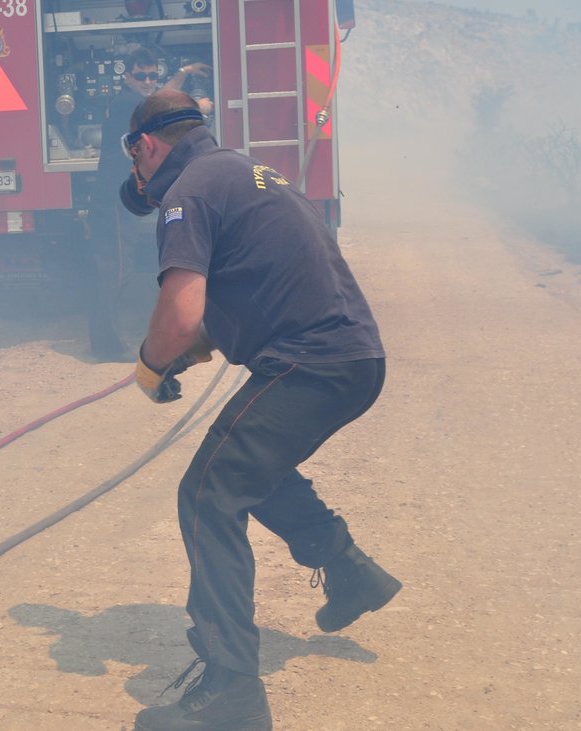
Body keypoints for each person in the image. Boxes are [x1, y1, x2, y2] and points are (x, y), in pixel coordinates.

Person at [121, 90, 402, 731]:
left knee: (207, 494)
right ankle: (348, 570)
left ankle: (231, 694)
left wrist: (152, 362)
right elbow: (249, 292)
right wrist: (185, 356)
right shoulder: (244, 172)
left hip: (310, 362)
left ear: (145, 146)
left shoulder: (185, 192)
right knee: (250, 468)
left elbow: (181, 311)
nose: (141, 182)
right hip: (351, 358)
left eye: (136, 164)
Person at [85, 49, 211, 362]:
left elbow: (158, 99)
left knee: (116, 266)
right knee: (114, 269)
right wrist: (200, 108)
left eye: (152, 76)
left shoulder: (134, 100)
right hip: (112, 201)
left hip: (117, 197)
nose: (147, 81)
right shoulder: (129, 103)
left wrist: (182, 70)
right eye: (140, 76)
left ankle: (107, 340)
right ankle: (106, 346)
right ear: (126, 76)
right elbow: (164, 111)